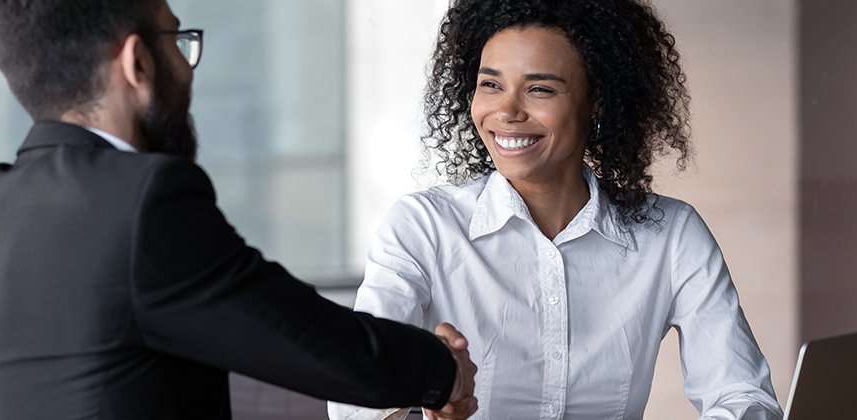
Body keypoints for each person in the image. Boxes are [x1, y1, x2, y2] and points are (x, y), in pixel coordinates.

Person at [0, 1, 479, 419]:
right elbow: (314, 342)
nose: (187, 66)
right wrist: (441, 371)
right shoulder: (142, 201)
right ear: (137, 61)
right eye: (178, 40)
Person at [330, 0, 782, 419]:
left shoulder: (671, 235)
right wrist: (427, 381)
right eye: (491, 84)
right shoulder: (423, 227)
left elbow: (743, 396)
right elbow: (353, 406)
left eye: (540, 89)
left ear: (597, 102)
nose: (506, 111)